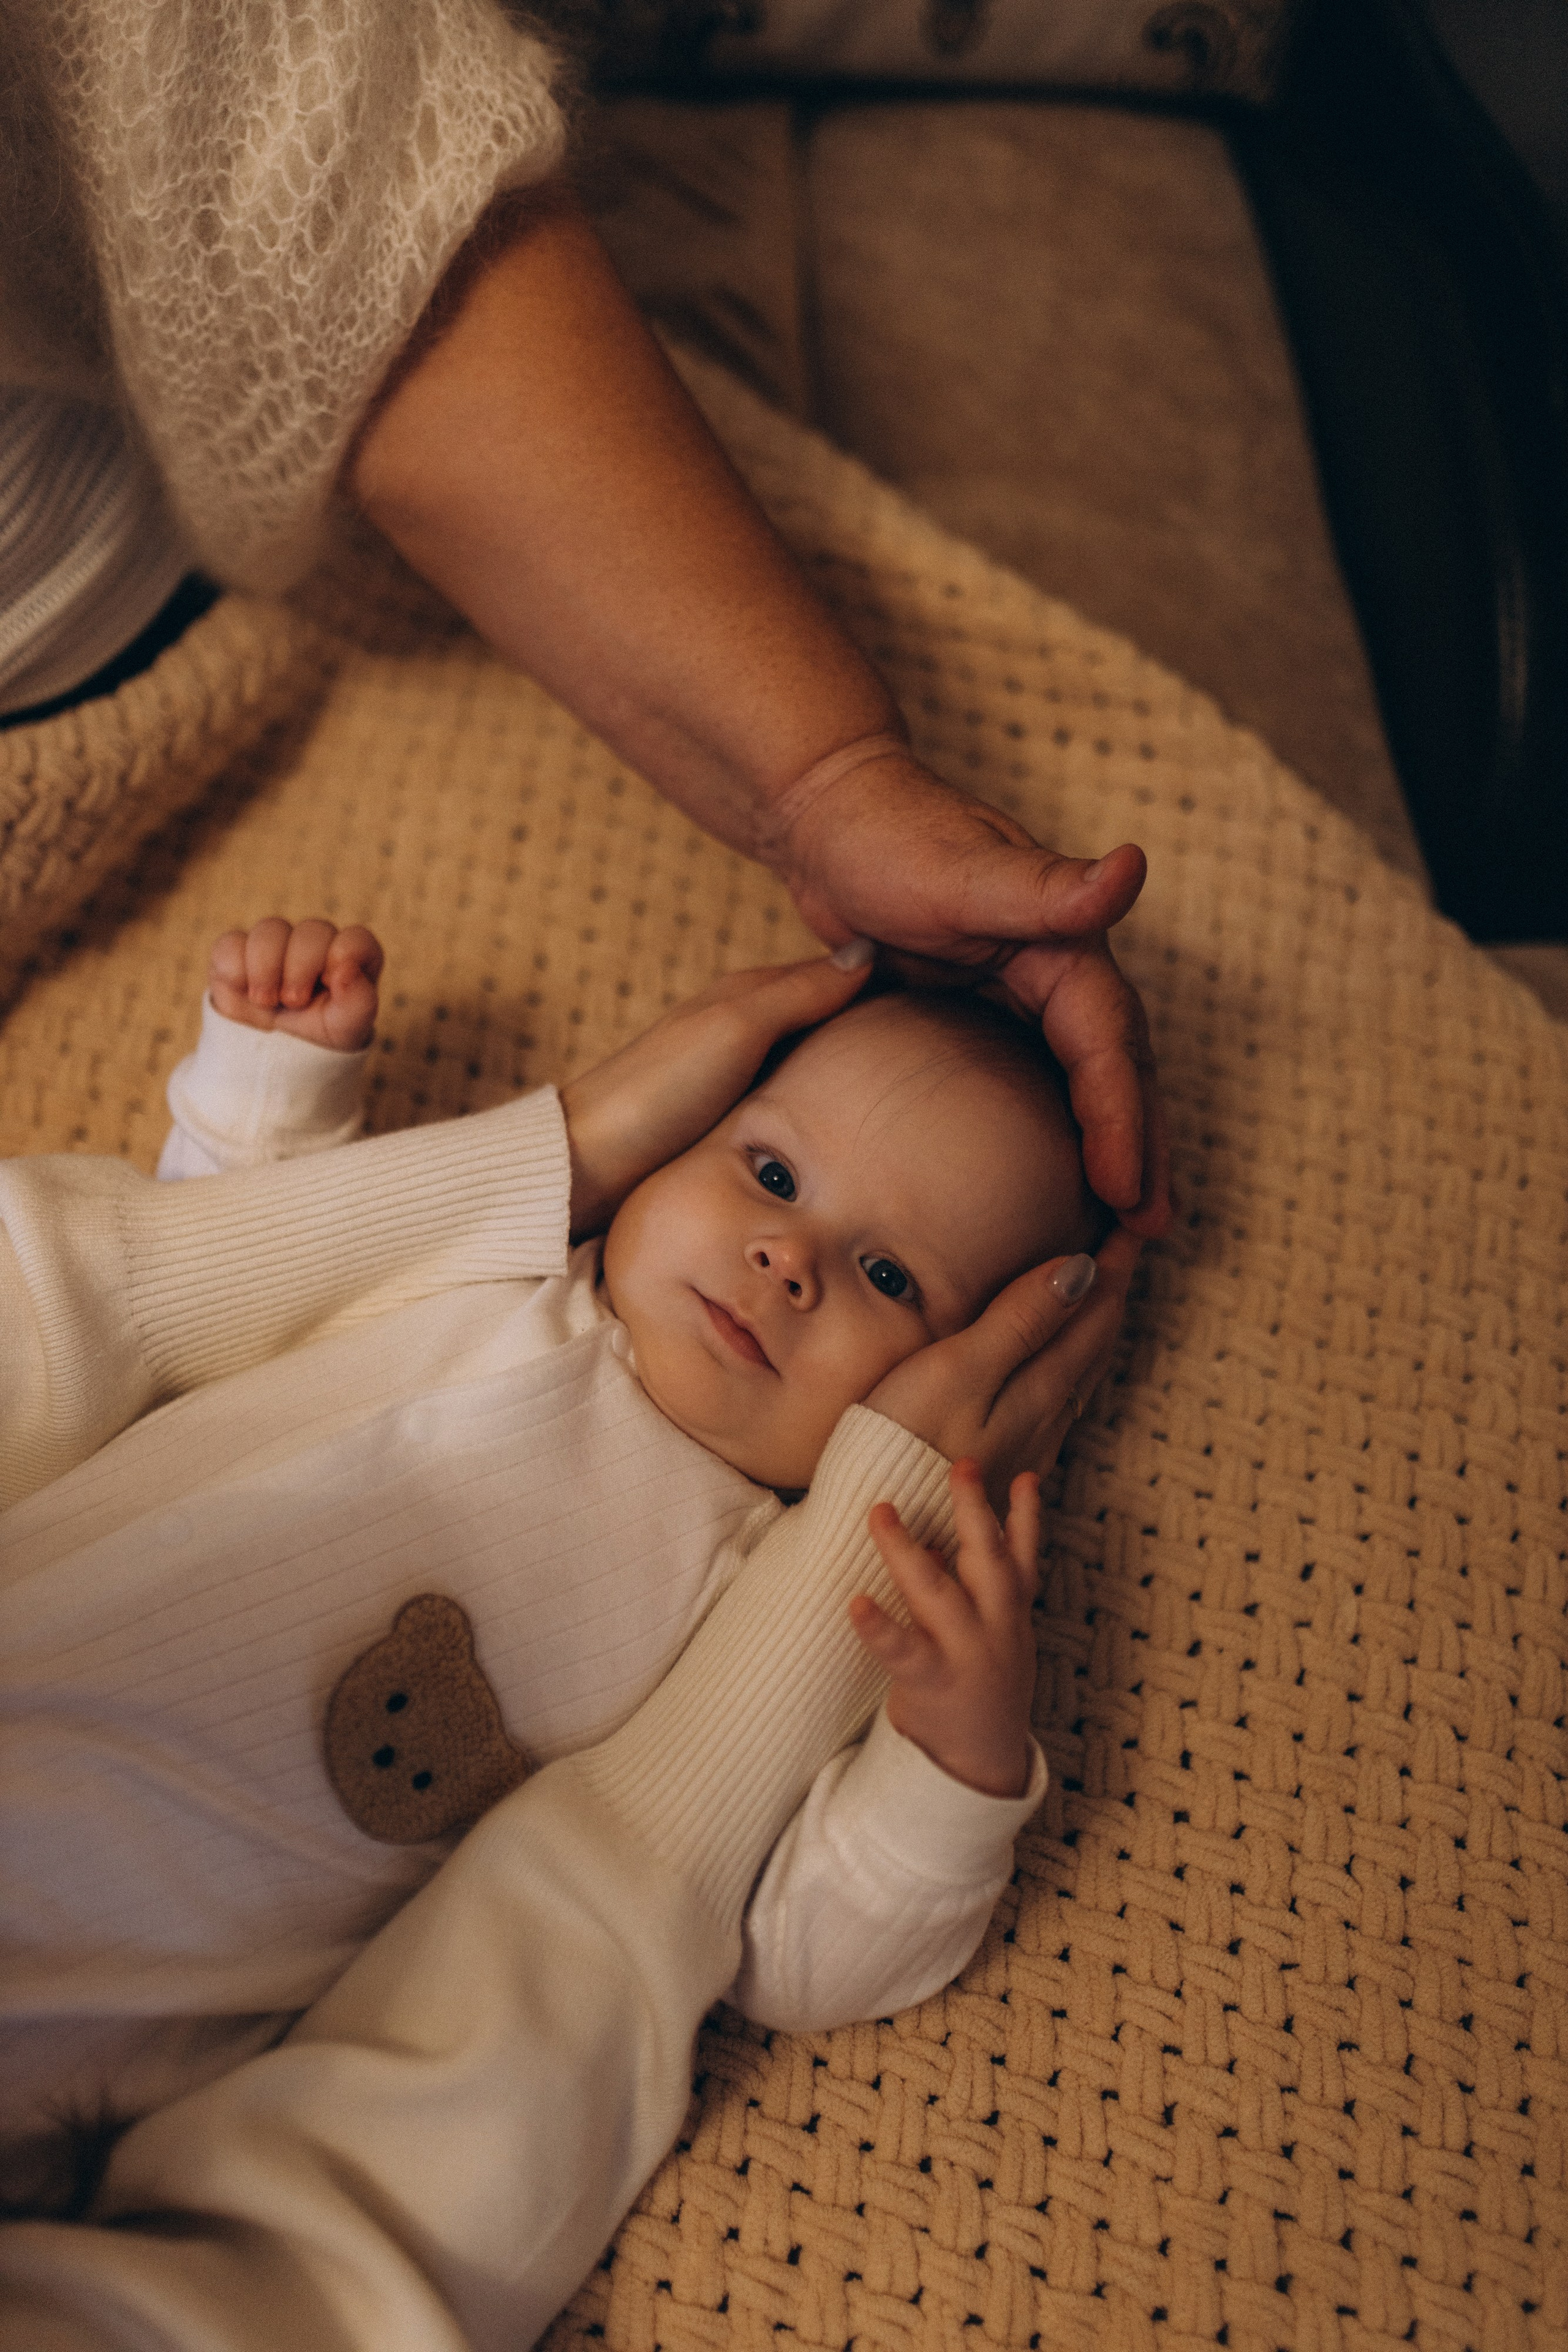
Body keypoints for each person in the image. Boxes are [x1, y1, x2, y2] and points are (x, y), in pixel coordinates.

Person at [0, 922, 1137, 2351]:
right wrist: (267, 1096)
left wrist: (951, 1763)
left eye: (890, 1279)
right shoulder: (482, 1275)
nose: (788, 1259)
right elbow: (211, 1309)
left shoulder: (779, 1595)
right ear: (676, 1151)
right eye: (772, 1175)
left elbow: (791, 1947)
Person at [3, 4, 1170, 1242]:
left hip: (150, 603)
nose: (786, 1271)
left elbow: (334, 196)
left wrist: (825, 782)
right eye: (771, 1182)